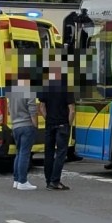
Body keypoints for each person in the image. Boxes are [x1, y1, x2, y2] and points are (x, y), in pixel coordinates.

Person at [37, 58, 75, 191]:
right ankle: (55, 181)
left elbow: (41, 107)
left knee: (48, 153)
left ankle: (48, 181)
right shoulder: (66, 87)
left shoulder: (45, 86)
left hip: (50, 124)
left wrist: (48, 119)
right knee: (60, 153)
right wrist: (68, 124)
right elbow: (72, 110)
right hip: (62, 124)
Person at [7, 67, 40, 191]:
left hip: (15, 125)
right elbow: (33, 110)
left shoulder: (12, 93)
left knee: (19, 152)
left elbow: (9, 110)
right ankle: (23, 181)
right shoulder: (29, 91)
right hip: (26, 125)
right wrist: (35, 125)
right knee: (25, 154)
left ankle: (16, 179)